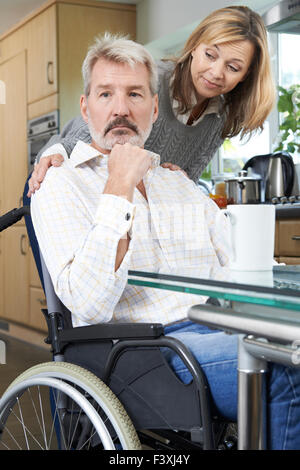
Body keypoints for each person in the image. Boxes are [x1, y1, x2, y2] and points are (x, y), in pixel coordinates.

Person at [31, 34, 300, 451]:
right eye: (106, 93)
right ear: (86, 109)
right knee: (287, 368)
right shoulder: (59, 185)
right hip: (141, 353)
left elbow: (241, 269)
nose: (121, 108)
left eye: (135, 94)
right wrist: (118, 186)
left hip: (214, 331)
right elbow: (89, 302)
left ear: (154, 109)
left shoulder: (178, 183)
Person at [27, 5, 275, 196]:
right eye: (210, 55)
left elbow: (189, 179)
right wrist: (56, 151)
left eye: (232, 67)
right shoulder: (150, 81)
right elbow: (85, 136)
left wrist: (181, 181)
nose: (216, 72)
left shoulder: (219, 118)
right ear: (195, 46)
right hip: (62, 186)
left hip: (132, 205)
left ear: (246, 75)